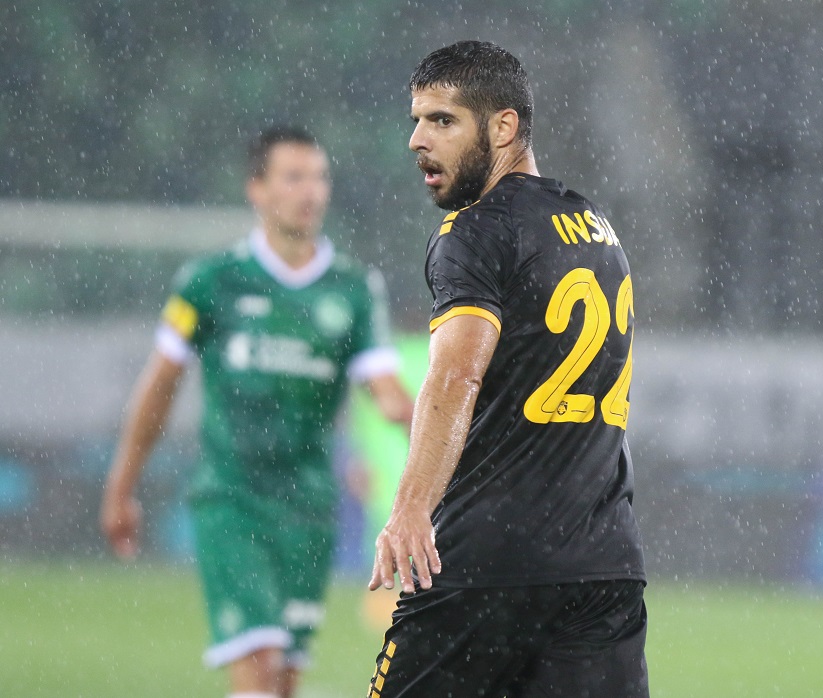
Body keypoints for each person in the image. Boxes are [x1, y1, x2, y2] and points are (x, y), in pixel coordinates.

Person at [367, 41, 648, 698]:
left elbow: (456, 375)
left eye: (442, 120)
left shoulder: (475, 231)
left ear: (503, 127)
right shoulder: (596, 227)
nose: (417, 140)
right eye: (416, 120)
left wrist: (409, 511)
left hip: (488, 562)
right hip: (602, 566)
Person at [101, 125, 414, 698]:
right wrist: (121, 487)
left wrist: (454, 445)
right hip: (232, 501)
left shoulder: (352, 288)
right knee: (259, 667)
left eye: (319, 178)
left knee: (283, 682)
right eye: (293, 177)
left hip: (309, 509)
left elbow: (389, 395)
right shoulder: (211, 282)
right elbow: (159, 388)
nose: (310, 192)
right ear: (257, 189)